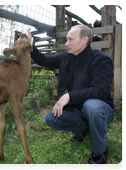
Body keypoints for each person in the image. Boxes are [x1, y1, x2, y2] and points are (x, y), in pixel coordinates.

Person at [28, 25, 115, 168]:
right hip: (78, 110)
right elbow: (44, 60)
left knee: (91, 105)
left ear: (84, 40)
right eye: (66, 40)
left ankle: (100, 151)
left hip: (101, 109)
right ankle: (84, 128)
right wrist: (30, 43)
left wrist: (68, 96)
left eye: (70, 39)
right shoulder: (66, 57)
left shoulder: (101, 60)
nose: (66, 43)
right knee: (51, 118)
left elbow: (100, 91)